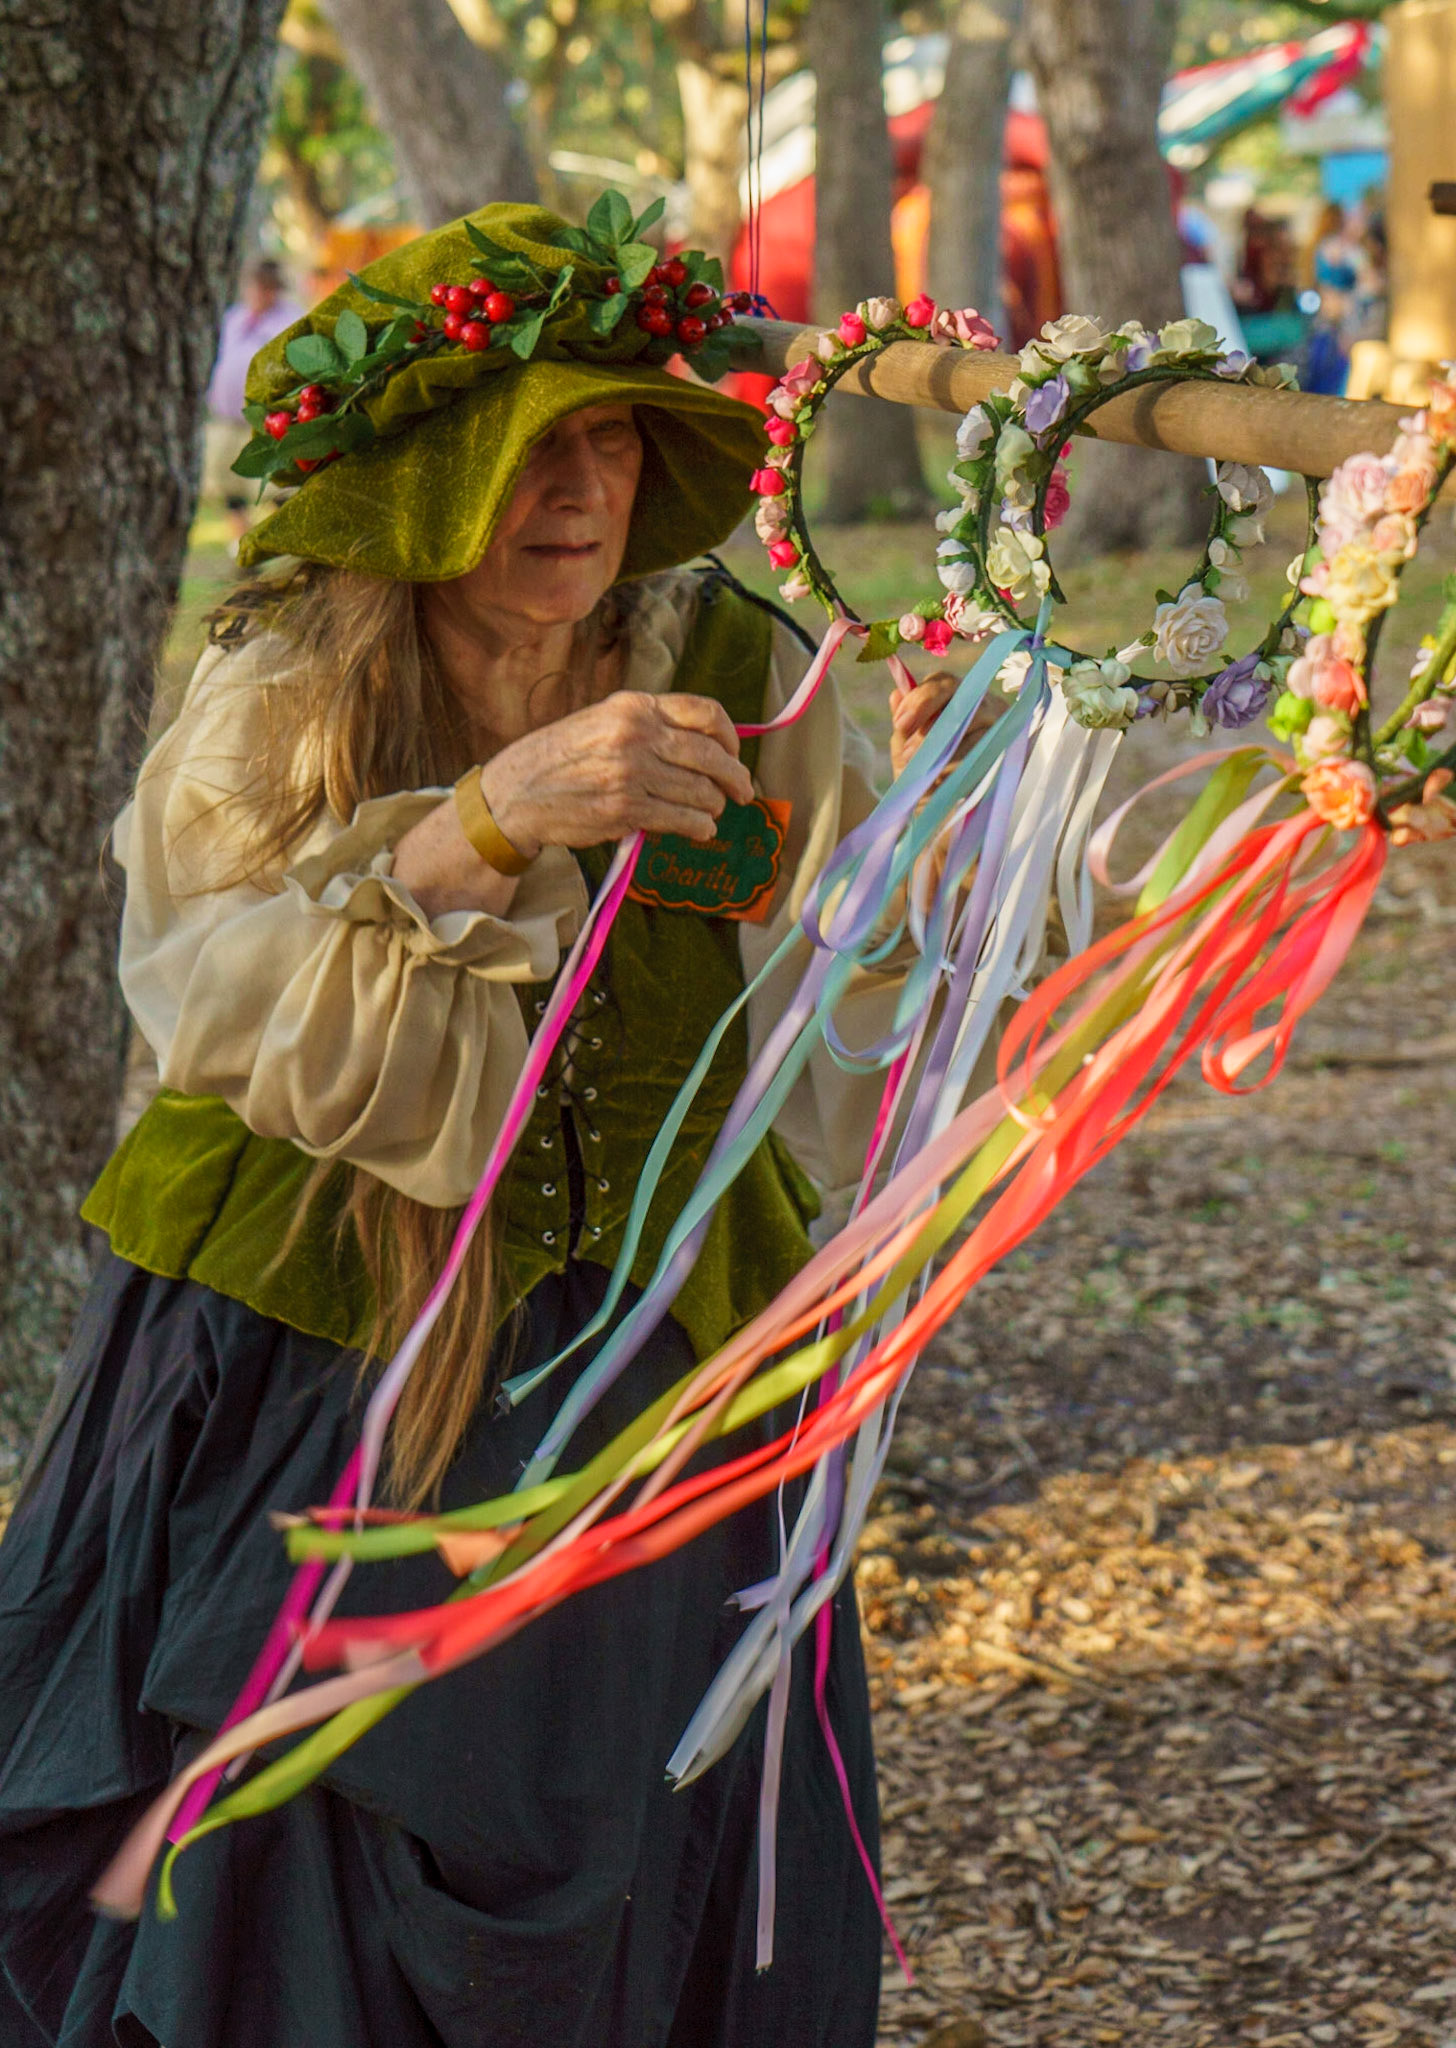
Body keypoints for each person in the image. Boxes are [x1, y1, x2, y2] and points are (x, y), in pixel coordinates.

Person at [0, 205, 966, 2048]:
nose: (579, 489)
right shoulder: (299, 673)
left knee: (635, 1817)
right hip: (320, 1338)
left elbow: (849, 991)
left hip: (654, 1332)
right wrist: (486, 820)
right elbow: (207, 987)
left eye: (613, 438)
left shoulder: (741, 658)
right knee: (292, 1828)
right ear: (428, 473)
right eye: (530, 445)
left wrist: (941, 829)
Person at [202, 257, 304, 552]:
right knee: (229, 484)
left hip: (266, 421)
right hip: (227, 417)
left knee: (273, 487)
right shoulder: (235, 318)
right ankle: (242, 541)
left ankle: (281, 544)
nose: (259, 293)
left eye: (266, 287)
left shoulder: (288, 321)